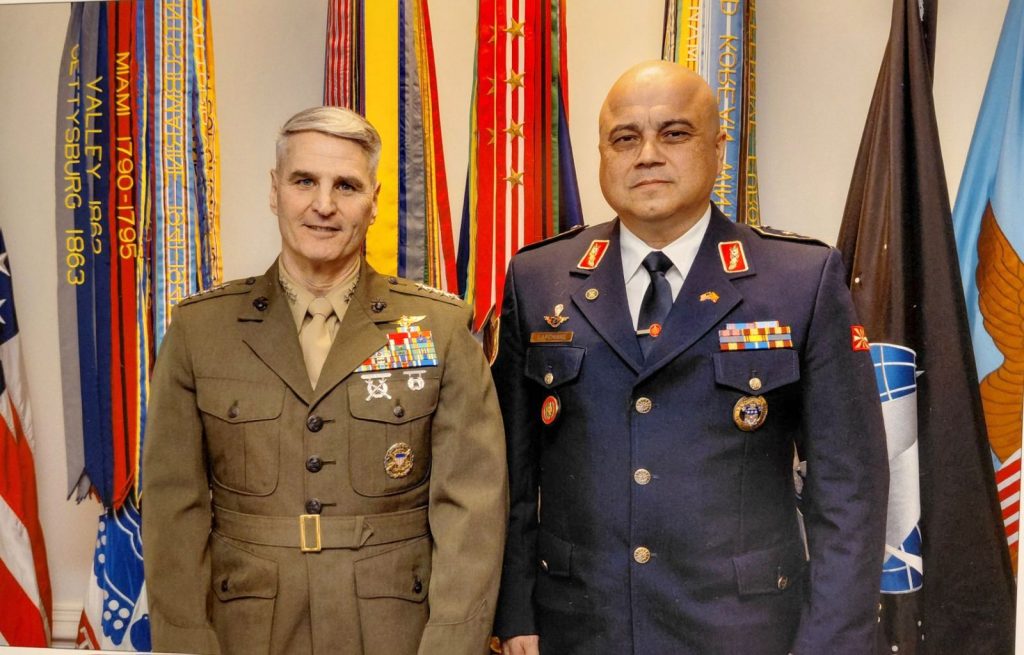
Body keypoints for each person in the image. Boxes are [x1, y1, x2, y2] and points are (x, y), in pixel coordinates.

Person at [492, 61, 888, 654]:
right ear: (601, 154)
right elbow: (511, 473)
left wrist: (829, 644)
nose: (647, 155)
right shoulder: (539, 276)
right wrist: (515, 612)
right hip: (579, 627)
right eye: (625, 138)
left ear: (718, 149)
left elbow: (849, 488)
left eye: (674, 133)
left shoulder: (799, 279)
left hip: (743, 632)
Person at [142, 106, 508, 655]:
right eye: (304, 181)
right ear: (274, 190)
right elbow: (174, 508)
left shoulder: (439, 327)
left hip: (395, 634)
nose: (323, 205)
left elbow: (472, 509)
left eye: (346, 185)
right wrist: (187, 644)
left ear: (374, 201)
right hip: (244, 631)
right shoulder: (201, 330)